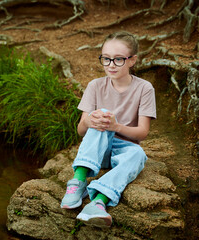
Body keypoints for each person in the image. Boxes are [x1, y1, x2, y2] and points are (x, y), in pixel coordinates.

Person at [60, 31, 156, 228]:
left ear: (132, 60)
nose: (111, 65)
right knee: (100, 114)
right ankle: (78, 182)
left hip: (124, 149)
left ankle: (98, 202)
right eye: (106, 59)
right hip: (97, 150)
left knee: (138, 154)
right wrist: (90, 122)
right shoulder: (95, 86)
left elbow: (143, 132)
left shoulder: (145, 89)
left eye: (119, 59)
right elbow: (81, 130)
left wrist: (116, 126)